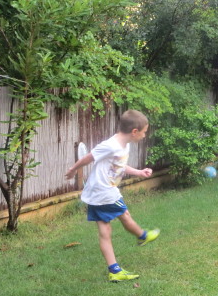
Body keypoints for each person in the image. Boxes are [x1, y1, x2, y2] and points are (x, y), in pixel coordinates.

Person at [65, 110, 160, 282]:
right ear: (134, 131)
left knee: (105, 230)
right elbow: (89, 157)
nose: (145, 135)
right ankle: (143, 236)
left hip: (98, 192)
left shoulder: (125, 145)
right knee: (124, 215)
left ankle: (114, 270)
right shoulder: (111, 145)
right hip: (104, 191)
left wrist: (138, 172)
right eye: (144, 132)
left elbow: (120, 166)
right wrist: (73, 170)